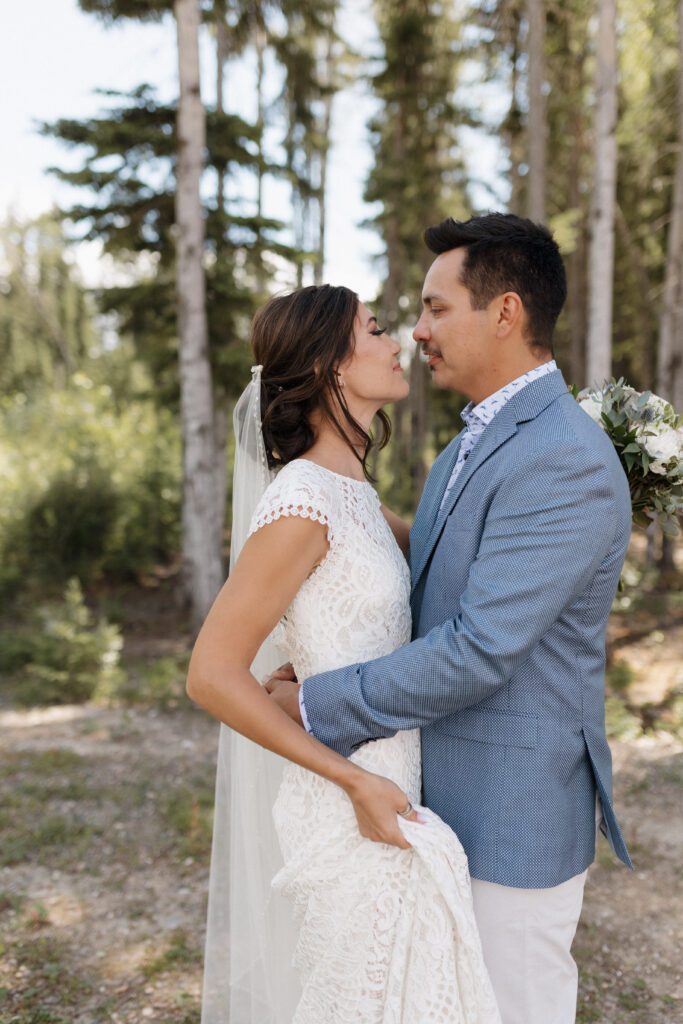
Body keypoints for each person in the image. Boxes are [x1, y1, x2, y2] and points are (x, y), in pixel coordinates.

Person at [267, 213, 633, 1024]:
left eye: (435, 308)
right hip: (432, 797)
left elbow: (477, 650)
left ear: (504, 311)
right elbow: (430, 565)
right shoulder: (476, 439)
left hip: (509, 810)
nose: (417, 331)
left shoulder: (562, 458)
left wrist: (317, 699)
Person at [186, 283, 501, 1024]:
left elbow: (435, 575)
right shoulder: (303, 500)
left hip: (396, 789)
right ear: (330, 364)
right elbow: (210, 674)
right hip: (347, 804)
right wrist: (351, 783)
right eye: (378, 329)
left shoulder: (352, 488)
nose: (400, 343)